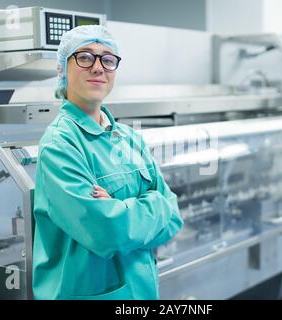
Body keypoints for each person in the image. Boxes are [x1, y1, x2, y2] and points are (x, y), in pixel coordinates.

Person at [32, 25, 183, 300]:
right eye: (85, 57)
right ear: (62, 70)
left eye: (108, 59)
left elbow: (173, 215)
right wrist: (152, 204)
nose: (98, 67)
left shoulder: (129, 138)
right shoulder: (60, 145)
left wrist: (122, 207)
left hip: (142, 291)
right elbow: (107, 232)